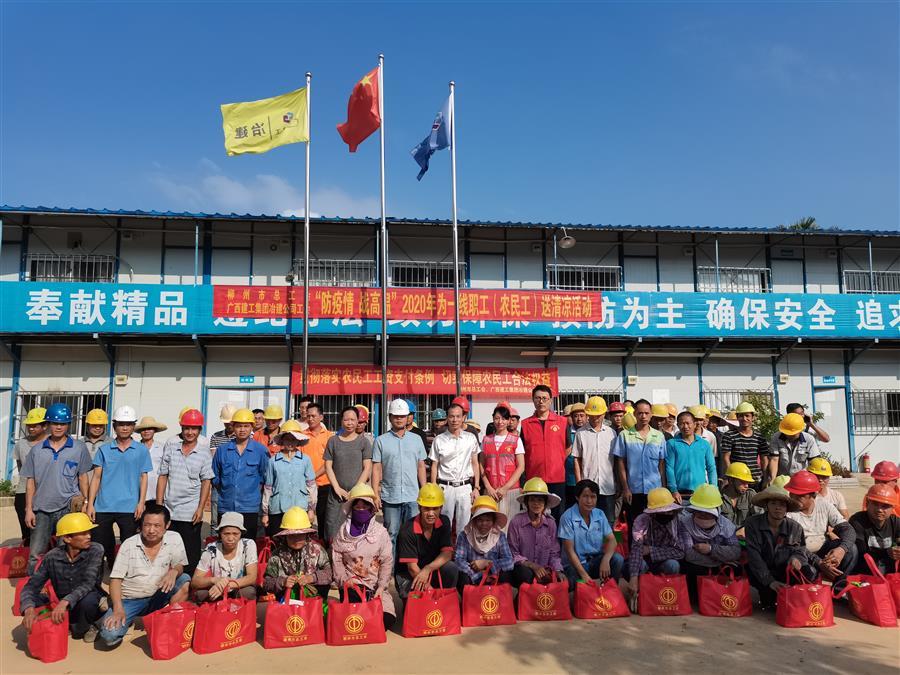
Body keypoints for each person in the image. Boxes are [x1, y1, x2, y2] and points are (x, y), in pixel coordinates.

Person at [97, 504, 191, 648]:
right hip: (130, 599)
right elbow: (115, 579)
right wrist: (118, 609)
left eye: (157, 525)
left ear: (167, 525)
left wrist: (174, 571)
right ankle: (124, 617)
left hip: (158, 595)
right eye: (147, 525)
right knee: (109, 635)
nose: (151, 530)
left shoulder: (174, 538)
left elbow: (180, 565)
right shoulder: (129, 545)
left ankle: (169, 621)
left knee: (184, 579)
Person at [21, 403, 93, 575]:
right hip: (41, 509)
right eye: (54, 423)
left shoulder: (79, 448)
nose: (59, 427)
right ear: (47, 424)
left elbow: (83, 477)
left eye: (63, 423)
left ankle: (63, 585)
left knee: (67, 551)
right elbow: (30, 482)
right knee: (36, 553)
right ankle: (35, 586)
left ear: (68, 425)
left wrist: (86, 503)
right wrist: (29, 509)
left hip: (68, 508)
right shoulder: (36, 450)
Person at [19, 512, 105, 643]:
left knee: (88, 602)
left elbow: (88, 583)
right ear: (67, 538)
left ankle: (87, 625)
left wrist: (65, 602)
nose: (89, 536)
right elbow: (31, 587)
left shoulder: (96, 550)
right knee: (32, 599)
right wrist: (28, 609)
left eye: (89, 532)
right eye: (83, 533)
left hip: (87, 596)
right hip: (63, 603)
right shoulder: (52, 556)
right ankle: (66, 621)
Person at [87, 406, 151, 571]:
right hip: (103, 506)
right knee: (98, 545)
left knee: (129, 544)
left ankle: (127, 575)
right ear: (114, 426)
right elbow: (96, 477)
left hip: (129, 506)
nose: (124, 428)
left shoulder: (141, 450)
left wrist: (141, 503)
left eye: (128, 424)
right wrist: (90, 504)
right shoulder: (104, 450)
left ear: (133, 426)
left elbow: (143, 477)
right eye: (121, 424)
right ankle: (97, 575)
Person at [155, 409, 213, 576]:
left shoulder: (204, 453)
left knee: (190, 550)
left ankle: (189, 581)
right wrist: (159, 505)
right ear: (181, 428)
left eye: (194, 428)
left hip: (190, 511)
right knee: (168, 548)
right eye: (187, 428)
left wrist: (200, 508)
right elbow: (163, 476)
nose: (190, 432)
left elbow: (206, 481)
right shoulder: (171, 448)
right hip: (170, 509)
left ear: (199, 430)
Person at [331, 483, 396, 629]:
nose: (361, 509)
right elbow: (337, 560)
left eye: (365, 506)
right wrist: (345, 581)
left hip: (375, 587)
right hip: (352, 586)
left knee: (387, 620)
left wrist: (381, 587)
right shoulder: (342, 532)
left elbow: (386, 562)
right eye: (357, 506)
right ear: (351, 508)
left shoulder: (380, 532)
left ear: (371, 508)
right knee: (358, 616)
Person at [744, 485, 815, 610]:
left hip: (784, 570)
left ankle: (793, 596)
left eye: (782, 505)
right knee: (768, 602)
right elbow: (754, 556)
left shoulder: (795, 527)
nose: (778, 508)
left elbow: (800, 550)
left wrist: (796, 559)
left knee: (807, 571)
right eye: (773, 503)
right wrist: (770, 581)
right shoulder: (752, 523)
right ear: (766, 506)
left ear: (787, 508)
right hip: (762, 571)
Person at [372, 398, 427, 554]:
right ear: (390, 417)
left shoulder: (416, 440)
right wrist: (375, 493)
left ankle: (411, 566)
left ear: (408, 417)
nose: (399, 419)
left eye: (402, 416)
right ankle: (391, 568)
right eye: (395, 416)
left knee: (413, 533)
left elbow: (421, 466)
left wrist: (424, 490)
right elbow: (376, 468)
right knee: (391, 534)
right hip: (391, 496)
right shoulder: (381, 441)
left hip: (413, 496)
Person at [785, 470, 857, 581]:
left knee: (851, 549)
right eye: (791, 494)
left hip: (823, 551)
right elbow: (795, 547)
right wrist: (819, 563)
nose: (793, 498)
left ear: (813, 495)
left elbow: (848, 529)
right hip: (801, 554)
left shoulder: (824, 505)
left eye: (799, 496)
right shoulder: (788, 513)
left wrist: (841, 550)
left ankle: (839, 585)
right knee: (809, 571)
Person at [211, 407, 269, 537]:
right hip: (226, 506)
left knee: (248, 543)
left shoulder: (261, 451)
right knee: (226, 542)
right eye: (238, 426)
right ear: (233, 427)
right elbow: (215, 477)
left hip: (250, 507)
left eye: (246, 426)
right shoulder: (222, 450)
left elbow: (265, 478)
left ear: (252, 427)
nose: (242, 430)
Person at [395, 483, 459, 599]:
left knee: (451, 568)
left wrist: (428, 569)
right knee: (415, 599)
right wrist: (431, 592)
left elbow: (447, 553)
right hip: (409, 574)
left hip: (431, 570)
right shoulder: (407, 529)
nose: (431, 513)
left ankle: (446, 600)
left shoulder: (444, 522)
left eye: (435, 509)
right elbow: (412, 568)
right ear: (419, 507)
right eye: (426, 509)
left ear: (441, 508)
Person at [612, 399, 667, 534]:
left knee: (654, 527)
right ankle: (633, 549)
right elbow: (620, 463)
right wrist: (625, 488)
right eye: (640, 413)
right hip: (633, 490)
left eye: (646, 413)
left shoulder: (659, 436)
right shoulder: (625, 435)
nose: (643, 416)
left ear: (651, 414)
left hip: (654, 491)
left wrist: (663, 488)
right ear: (634, 414)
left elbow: (661, 464)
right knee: (635, 526)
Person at [559, 479, 625, 588]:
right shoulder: (567, 517)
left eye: (593, 497)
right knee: (572, 581)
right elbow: (569, 551)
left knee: (617, 559)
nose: (589, 501)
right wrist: (584, 575)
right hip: (574, 565)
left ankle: (610, 591)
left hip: (595, 561)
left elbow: (612, 540)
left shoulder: (600, 514)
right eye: (585, 496)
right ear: (577, 497)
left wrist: (606, 559)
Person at [625, 487, 689, 597]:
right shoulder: (641, 521)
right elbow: (636, 550)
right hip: (645, 561)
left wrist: (651, 550)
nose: (667, 514)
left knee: (673, 565)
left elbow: (682, 551)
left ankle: (666, 595)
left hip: (664, 561)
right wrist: (633, 578)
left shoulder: (678, 522)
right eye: (662, 512)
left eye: (669, 511)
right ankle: (641, 596)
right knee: (640, 565)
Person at [519, 385, 569, 520]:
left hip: (557, 478)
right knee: (535, 516)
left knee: (558, 516)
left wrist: (557, 460)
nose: (541, 401)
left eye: (544, 398)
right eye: (537, 398)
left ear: (550, 400)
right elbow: (522, 452)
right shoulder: (525, 424)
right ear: (533, 400)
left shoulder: (562, 422)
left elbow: (568, 447)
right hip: (534, 479)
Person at [430, 402, 481, 532]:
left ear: (463, 417)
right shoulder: (439, 440)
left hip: (465, 487)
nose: (454, 420)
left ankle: (461, 546)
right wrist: (434, 486)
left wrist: (476, 487)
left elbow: (475, 463)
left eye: (458, 416)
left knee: (464, 528)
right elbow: (435, 465)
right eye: (451, 416)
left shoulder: (470, 438)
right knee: (443, 526)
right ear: (447, 418)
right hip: (445, 488)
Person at [678, 484, 741, 590]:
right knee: (689, 568)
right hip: (699, 564)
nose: (703, 514)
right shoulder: (685, 523)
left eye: (707, 512)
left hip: (719, 565)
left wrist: (711, 549)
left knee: (736, 569)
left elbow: (735, 551)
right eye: (699, 511)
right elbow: (689, 553)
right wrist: (720, 559)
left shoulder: (726, 525)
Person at [324, 406, 373, 542]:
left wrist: (355, 490)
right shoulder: (333, 441)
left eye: (353, 420)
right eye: (346, 420)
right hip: (336, 495)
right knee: (332, 530)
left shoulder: (364, 442)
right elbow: (328, 466)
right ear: (341, 421)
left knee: (356, 530)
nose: (349, 423)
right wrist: (337, 488)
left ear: (358, 421)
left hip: (358, 496)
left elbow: (367, 467)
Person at [263, 506, 332, 601]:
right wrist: (283, 582)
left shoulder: (317, 550)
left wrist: (311, 578)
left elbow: (329, 574)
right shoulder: (276, 555)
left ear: (307, 534)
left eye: (300, 535)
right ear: (285, 536)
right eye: (292, 535)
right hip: (286, 602)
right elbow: (266, 583)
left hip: (313, 602)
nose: (296, 539)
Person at [261, 419, 315, 538]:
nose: (290, 443)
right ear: (282, 440)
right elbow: (268, 488)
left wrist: (311, 509)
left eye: (293, 439)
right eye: (287, 439)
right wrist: (265, 513)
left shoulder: (305, 460)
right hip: (278, 507)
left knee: (298, 540)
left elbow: (311, 486)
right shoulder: (273, 461)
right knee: (277, 540)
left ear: (298, 440)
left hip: (300, 507)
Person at [506, 478, 563, 586]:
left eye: (540, 500)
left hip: (545, 571)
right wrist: (533, 566)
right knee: (524, 574)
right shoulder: (516, 522)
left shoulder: (551, 523)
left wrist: (558, 570)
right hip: (523, 570)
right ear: (526, 502)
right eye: (532, 500)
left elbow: (554, 553)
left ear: (545, 503)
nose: (536, 504)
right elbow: (513, 553)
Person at [191, 512, 258, 601]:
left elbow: (252, 577)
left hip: (238, 588)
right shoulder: (211, 548)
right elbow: (195, 581)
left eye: (235, 534)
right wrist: (214, 580)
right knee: (200, 594)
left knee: (249, 592)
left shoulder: (248, 545)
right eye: (226, 534)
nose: (230, 538)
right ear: (220, 533)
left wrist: (226, 586)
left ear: (241, 533)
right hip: (217, 588)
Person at [572, 396, 617, 526]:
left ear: (604, 414)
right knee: (588, 521)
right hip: (588, 486)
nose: (595, 418)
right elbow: (577, 459)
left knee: (608, 522)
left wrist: (618, 483)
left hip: (608, 487)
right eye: (592, 415)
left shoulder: (612, 433)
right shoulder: (581, 433)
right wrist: (579, 483)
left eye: (598, 415)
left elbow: (616, 460)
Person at [480, 405, 525, 525]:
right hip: (491, 490)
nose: (500, 422)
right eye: (497, 418)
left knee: (510, 525)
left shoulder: (516, 440)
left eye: (504, 419)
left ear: (509, 420)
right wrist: (488, 487)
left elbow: (521, 466)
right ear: (493, 419)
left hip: (511, 490)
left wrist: (505, 488)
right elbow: (481, 465)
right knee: (491, 525)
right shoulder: (486, 440)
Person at [455, 495, 514, 586]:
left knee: (507, 575)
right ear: (474, 520)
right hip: (472, 577)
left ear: (493, 521)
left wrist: (487, 564)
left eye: (488, 520)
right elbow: (458, 560)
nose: (484, 524)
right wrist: (478, 575)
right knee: (462, 577)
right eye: (480, 520)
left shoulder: (500, 536)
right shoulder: (464, 535)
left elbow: (509, 562)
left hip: (494, 578)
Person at [13, 407, 48, 545]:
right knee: (27, 529)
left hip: (45, 491)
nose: (31, 428)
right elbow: (21, 467)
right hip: (23, 490)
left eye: (35, 425)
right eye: (29, 425)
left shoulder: (52, 443)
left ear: (45, 426)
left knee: (46, 530)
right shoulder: (20, 444)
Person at [849, 484, 900, 575]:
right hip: (864, 571)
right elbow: (861, 552)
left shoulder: (895, 522)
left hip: (889, 570)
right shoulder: (857, 521)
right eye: (875, 504)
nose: (879, 510)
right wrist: (887, 552)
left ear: (892, 508)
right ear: (867, 503)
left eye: (885, 506)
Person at [665, 410, 716, 502]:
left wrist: (713, 488)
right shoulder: (672, 444)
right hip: (679, 494)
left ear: (694, 424)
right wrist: (673, 490)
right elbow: (669, 468)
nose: (685, 427)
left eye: (688, 423)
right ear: (678, 425)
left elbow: (711, 467)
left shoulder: (704, 444)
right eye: (682, 424)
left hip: (700, 492)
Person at [303, 402, 335, 540]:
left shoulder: (329, 437)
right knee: (305, 520)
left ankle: (323, 545)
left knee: (324, 519)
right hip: (305, 485)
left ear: (321, 417)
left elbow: (330, 462)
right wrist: (309, 479)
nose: (310, 419)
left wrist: (314, 476)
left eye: (313, 416)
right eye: (308, 416)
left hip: (324, 484)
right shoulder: (302, 436)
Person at [719, 401, 769, 489]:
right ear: (737, 417)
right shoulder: (729, 435)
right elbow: (725, 459)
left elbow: (764, 459)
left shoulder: (759, 437)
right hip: (737, 480)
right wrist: (729, 478)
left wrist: (766, 479)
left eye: (747, 415)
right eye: (741, 416)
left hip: (756, 479)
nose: (744, 418)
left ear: (753, 417)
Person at [768, 413, 821, 482]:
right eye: (787, 433)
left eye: (793, 434)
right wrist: (772, 479)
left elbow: (814, 462)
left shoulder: (809, 439)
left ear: (800, 430)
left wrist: (814, 481)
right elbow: (774, 459)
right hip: (782, 479)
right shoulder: (776, 438)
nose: (789, 435)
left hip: (802, 479)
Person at [208, 404, 237, 529]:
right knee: (215, 519)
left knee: (235, 518)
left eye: (231, 422)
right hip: (218, 481)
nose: (229, 425)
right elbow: (214, 459)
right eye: (226, 422)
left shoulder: (244, 437)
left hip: (236, 482)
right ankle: (214, 539)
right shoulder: (216, 436)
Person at [719, 462, 761, 534]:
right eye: (743, 482)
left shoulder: (750, 495)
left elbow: (760, 518)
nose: (746, 486)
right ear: (731, 480)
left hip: (747, 537)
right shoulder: (718, 498)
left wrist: (746, 529)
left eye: (747, 482)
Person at [135, 416, 167, 507]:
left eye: (149, 429)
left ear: (154, 430)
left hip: (157, 493)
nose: (146, 431)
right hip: (138, 492)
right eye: (143, 429)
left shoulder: (162, 448)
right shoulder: (135, 448)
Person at [564, 403, 587, 507]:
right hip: (570, 479)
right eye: (576, 416)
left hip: (588, 477)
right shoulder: (566, 432)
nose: (579, 419)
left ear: (587, 416)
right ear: (571, 417)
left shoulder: (590, 432)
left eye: (582, 415)